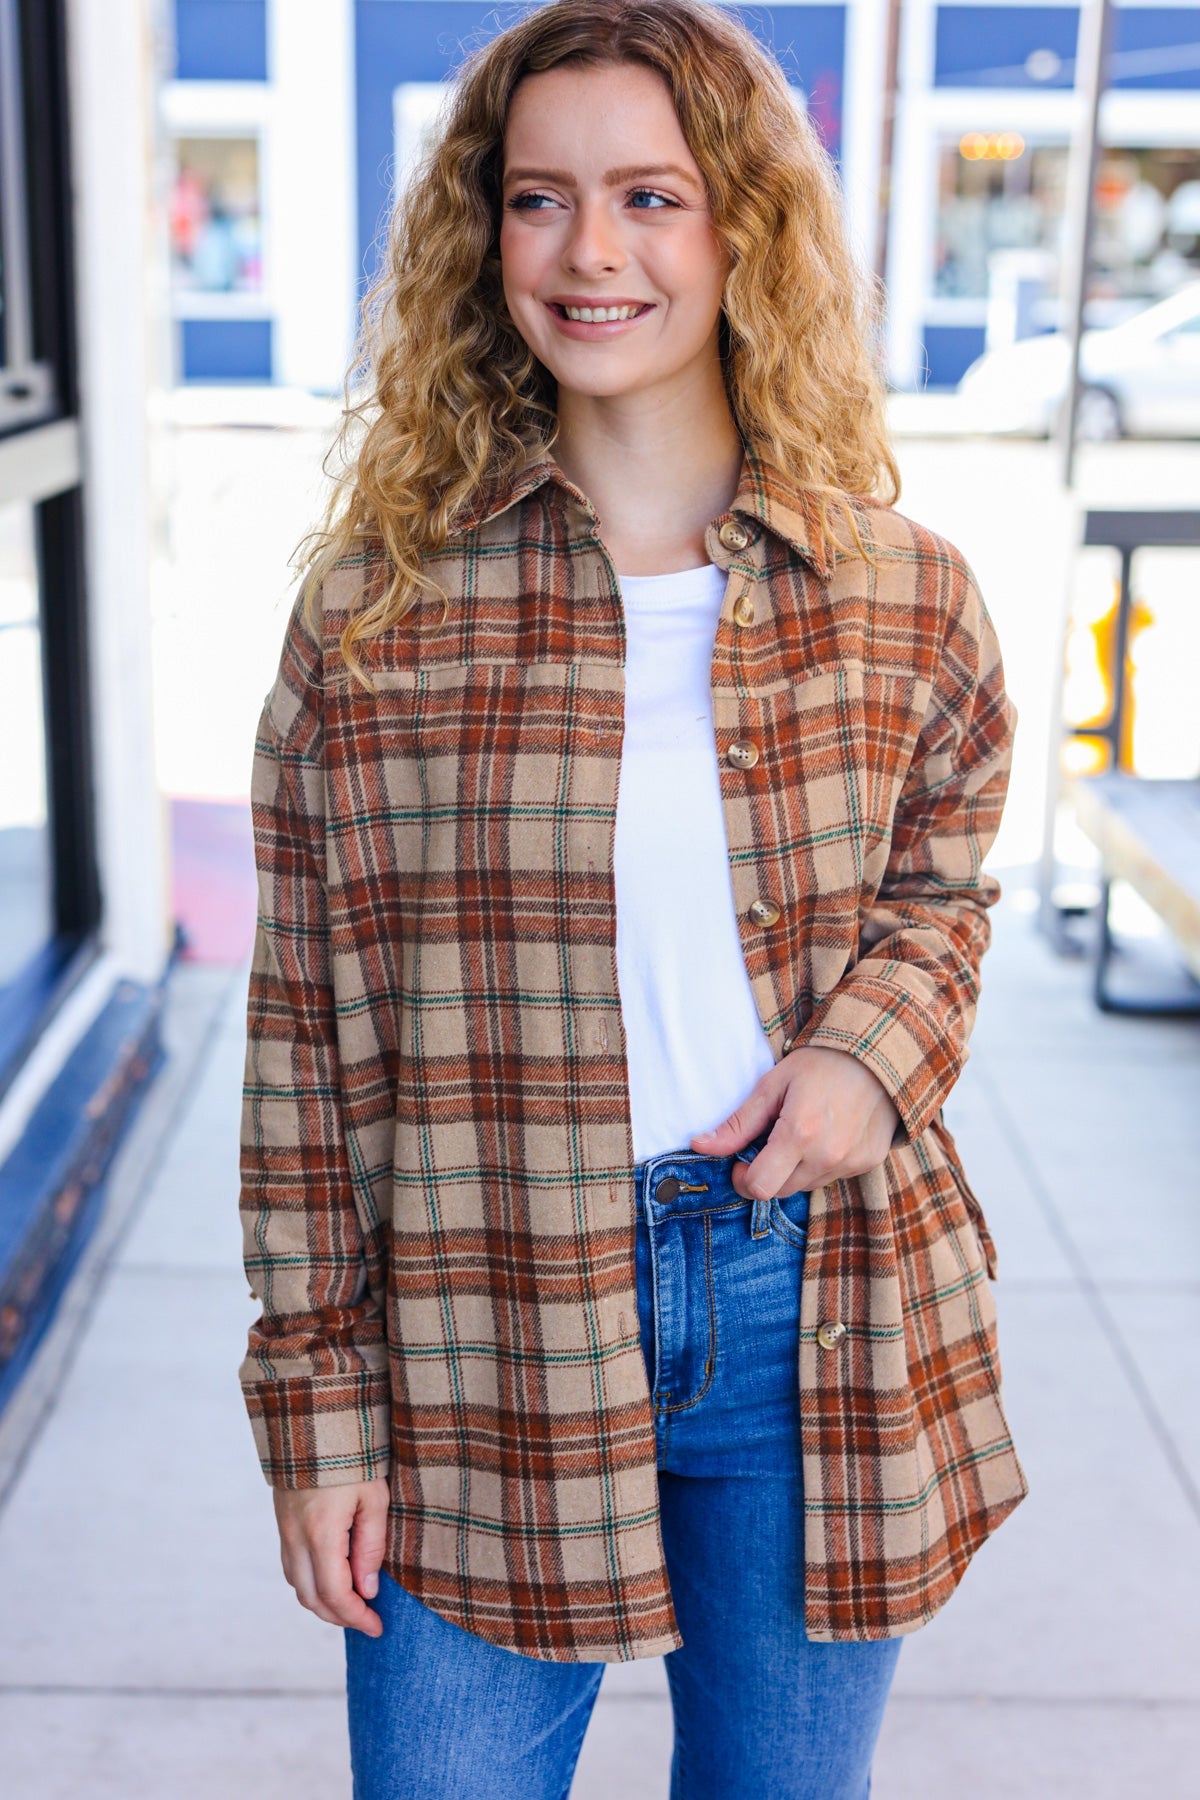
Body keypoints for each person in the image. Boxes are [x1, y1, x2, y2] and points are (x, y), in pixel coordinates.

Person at [237, 3, 1028, 1795]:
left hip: (805, 1305)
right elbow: (304, 1036)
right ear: (483, 236)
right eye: (538, 200)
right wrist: (314, 1406)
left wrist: (866, 1065)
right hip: (479, 1312)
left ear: (741, 227)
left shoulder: (902, 594)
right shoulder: (382, 613)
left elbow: (947, 879)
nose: (591, 251)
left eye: (652, 195)